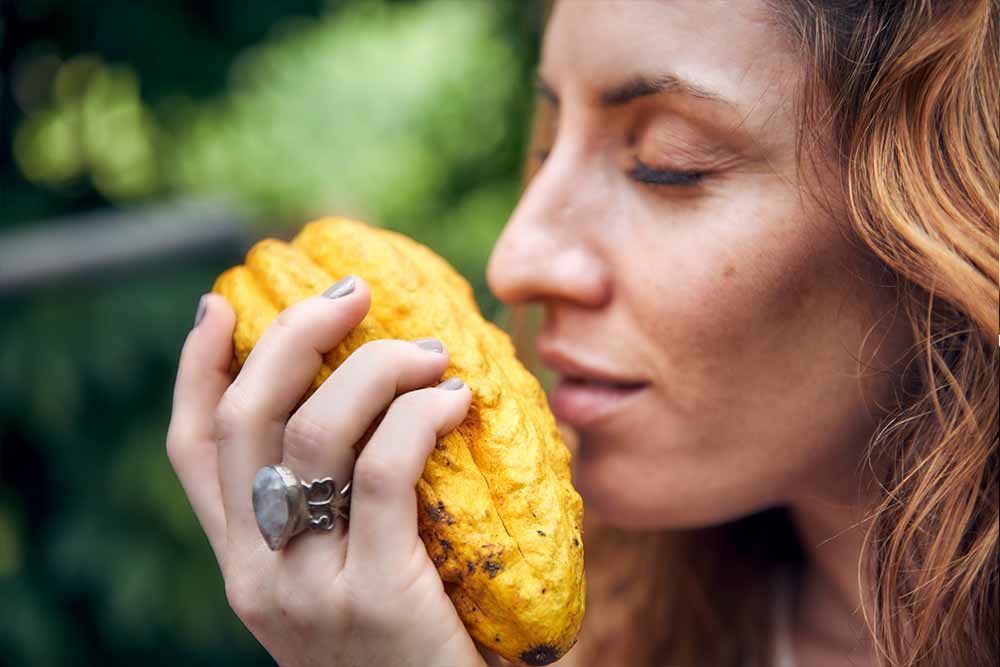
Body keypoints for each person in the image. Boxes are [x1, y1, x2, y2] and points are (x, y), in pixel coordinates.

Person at [166, 1, 998, 665]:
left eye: (668, 163)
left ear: (947, 211)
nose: (513, 260)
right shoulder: (592, 631)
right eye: (546, 144)